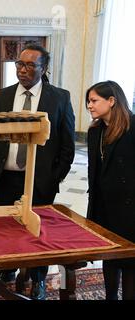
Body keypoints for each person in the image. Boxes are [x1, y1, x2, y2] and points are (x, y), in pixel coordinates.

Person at [0, 44, 75, 300]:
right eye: (20, 64)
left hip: (41, 179)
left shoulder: (60, 98)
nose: (23, 70)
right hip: (7, 175)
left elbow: (67, 143)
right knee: (7, 226)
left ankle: (38, 279)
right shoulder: (2, 95)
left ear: (44, 69)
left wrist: (55, 177)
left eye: (31, 65)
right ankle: (8, 269)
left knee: (37, 232)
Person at [85, 80, 135, 300]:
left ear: (112, 101)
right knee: (110, 256)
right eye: (88, 100)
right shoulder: (95, 131)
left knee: (130, 262)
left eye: (94, 100)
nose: (89, 105)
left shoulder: (132, 127)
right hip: (104, 205)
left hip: (130, 207)